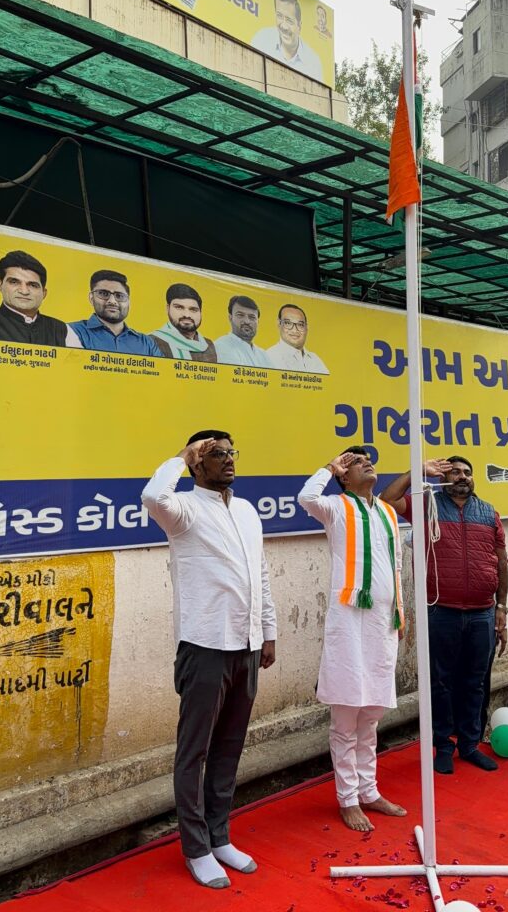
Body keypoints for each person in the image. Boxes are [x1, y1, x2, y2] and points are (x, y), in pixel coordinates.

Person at [141, 431, 277, 889]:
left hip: (247, 645)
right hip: (204, 646)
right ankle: (196, 848)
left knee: (229, 748)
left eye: (231, 451)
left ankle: (219, 837)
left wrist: (268, 632)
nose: (228, 459)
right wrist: (181, 457)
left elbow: (260, 574)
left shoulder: (247, 511)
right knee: (194, 751)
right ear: (197, 464)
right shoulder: (182, 510)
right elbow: (152, 496)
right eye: (217, 453)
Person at [298, 446, 407, 832]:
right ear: (344, 476)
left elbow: (395, 565)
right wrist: (329, 468)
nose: (368, 464)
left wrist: (400, 611)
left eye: (368, 460)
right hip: (349, 624)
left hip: (382, 625)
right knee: (346, 717)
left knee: (371, 718)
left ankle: (369, 790)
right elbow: (305, 497)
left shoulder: (388, 512)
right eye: (357, 462)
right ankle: (347, 798)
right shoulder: (335, 507)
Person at [382, 456, 508, 774]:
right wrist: (416, 472)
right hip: (440, 611)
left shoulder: (489, 512)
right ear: (442, 478)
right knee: (440, 683)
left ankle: (469, 745)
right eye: (454, 472)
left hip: (482, 613)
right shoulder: (426, 505)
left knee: (475, 683)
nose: (462, 476)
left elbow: (500, 561)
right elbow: (387, 499)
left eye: (467, 472)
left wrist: (502, 606)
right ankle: (443, 745)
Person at [0, 249, 81, 347]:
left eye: (33, 285)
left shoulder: (62, 330)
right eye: (14, 282)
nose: (24, 291)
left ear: (44, 293)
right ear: (0, 285)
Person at [70, 270, 162, 356]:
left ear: (128, 301)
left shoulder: (147, 344)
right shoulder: (72, 331)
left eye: (119, 296)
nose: (112, 301)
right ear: (91, 298)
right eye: (103, 294)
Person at [251, 0, 323, 82]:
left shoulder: (313, 63)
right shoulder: (260, 40)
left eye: (289, 20)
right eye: (279, 16)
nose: (284, 26)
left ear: (299, 26)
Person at [150, 283, 217, 362]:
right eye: (179, 307)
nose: (187, 315)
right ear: (168, 309)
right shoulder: (151, 342)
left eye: (193, 309)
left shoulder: (209, 345)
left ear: (200, 312)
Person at [266, 303, 329, 374]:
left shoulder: (314, 358)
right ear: (279, 324)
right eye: (288, 323)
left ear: (306, 327)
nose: (294, 330)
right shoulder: (270, 356)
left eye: (300, 325)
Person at [214, 295, 271, 367]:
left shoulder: (263, 354)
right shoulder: (221, 346)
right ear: (230, 318)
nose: (247, 321)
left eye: (252, 317)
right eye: (240, 315)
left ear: (258, 322)